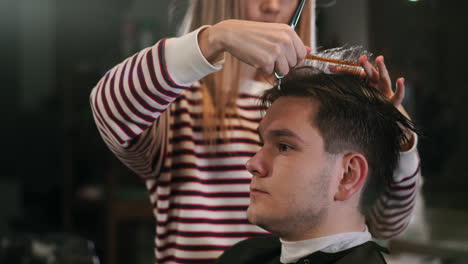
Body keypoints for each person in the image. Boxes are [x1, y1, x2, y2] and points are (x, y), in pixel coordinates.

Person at [90, 0, 420, 263]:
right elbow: (108, 106)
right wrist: (212, 40)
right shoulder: (176, 101)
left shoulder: (318, 108)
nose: (273, 6)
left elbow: (387, 221)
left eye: (285, 146)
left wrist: (396, 136)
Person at [215, 63, 418, 264]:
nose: (252, 163)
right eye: (262, 143)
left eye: (284, 146)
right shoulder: (244, 256)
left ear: (348, 175)